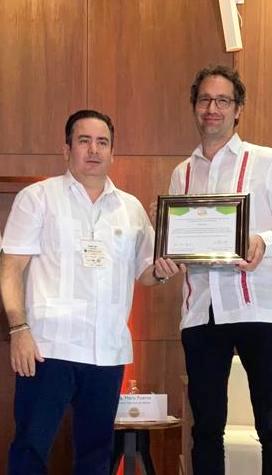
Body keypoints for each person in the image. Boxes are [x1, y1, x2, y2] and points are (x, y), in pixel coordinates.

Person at [0, 109, 182, 475]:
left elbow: (145, 271)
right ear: (66, 148)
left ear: (113, 151)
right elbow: (10, 269)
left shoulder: (130, 208)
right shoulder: (38, 198)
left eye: (102, 142)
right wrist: (19, 330)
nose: (93, 150)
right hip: (47, 350)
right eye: (84, 141)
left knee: (96, 456)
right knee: (31, 447)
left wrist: (163, 272)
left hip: (108, 352)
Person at [170, 65, 272, 474]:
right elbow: (183, 247)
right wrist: (168, 240)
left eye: (222, 100)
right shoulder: (181, 172)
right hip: (201, 312)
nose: (212, 108)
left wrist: (263, 242)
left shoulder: (266, 161)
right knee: (206, 428)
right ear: (194, 108)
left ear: (238, 109)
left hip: (261, 310)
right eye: (204, 100)